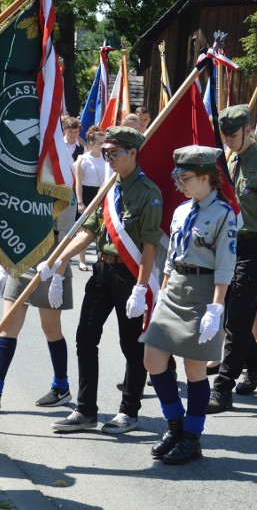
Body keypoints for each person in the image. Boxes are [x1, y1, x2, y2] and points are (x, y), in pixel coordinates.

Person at [49, 126, 161, 435]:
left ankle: (129, 411)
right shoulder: (109, 190)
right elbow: (89, 232)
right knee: (85, 338)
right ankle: (86, 410)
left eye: (114, 154)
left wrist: (140, 288)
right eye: (106, 153)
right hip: (102, 271)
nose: (108, 159)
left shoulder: (148, 193)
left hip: (129, 274)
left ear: (133, 153)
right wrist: (58, 262)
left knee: (131, 346)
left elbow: (150, 246)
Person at [141, 145, 236, 464]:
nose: (179, 183)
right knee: (153, 358)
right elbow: (171, 258)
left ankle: (192, 437)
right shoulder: (182, 210)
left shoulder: (224, 215)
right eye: (177, 176)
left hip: (203, 290)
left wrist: (216, 307)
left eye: (185, 177)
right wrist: (161, 295)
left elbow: (225, 264)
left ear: (207, 176)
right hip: (176, 289)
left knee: (194, 368)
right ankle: (175, 425)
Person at [207, 105, 257, 414]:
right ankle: (256, 362)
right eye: (223, 135)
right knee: (225, 314)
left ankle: (223, 387)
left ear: (248, 130)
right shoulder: (225, 160)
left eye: (233, 135)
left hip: (253, 246)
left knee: (237, 319)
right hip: (226, 245)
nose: (227, 141)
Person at [0, 237, 74, 410]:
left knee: (51, 328)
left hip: (51, 261)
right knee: (8, 324)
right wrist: (3, 266)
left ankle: (61, 387)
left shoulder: (63, 207)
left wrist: (58, 275)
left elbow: (67, 236)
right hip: (21, 259)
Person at [73, 127, 110, 270]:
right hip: (87, 194)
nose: (102, 146)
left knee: (101, 228)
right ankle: (82, 260)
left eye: (104, 143)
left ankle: (99, 257)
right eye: (99, 143)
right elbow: (79, 183)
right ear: (91, 143)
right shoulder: (83, 159)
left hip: (102, 193)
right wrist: (80, 202)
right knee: (84, 229)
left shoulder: (107, 158)